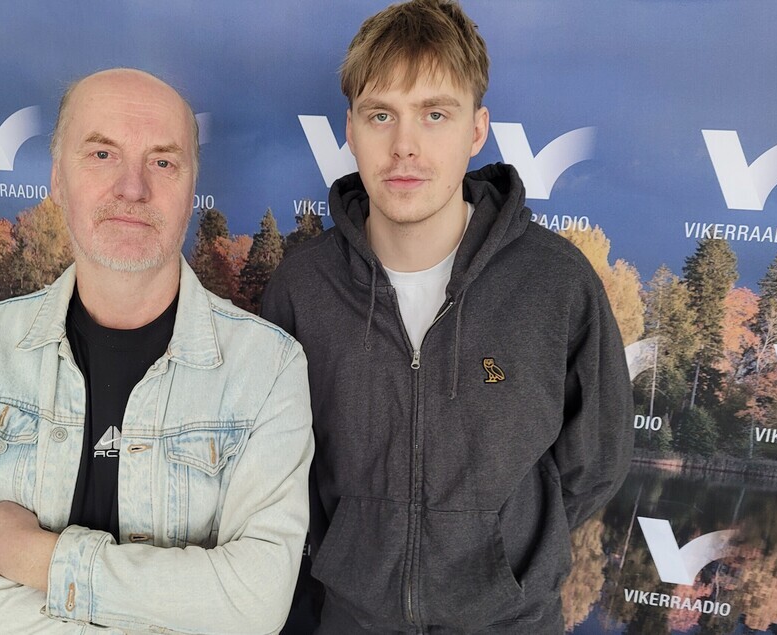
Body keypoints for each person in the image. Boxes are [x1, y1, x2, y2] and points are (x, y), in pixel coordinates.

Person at [0, 68, 314, 634]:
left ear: (191, 191)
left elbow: (253, 606)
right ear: (57, 180)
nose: (133, 188)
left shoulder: (268, 368)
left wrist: (39, 558)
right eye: (102, 154)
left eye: (163, 162)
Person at [261, 1, 633, 632]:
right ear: (350, 129)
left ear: (477, 129)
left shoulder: (556, 283)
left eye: (435, 114)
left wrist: (504, 558)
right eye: (381, 115)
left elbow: (594, 464)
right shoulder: (303, 288)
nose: (404, 146)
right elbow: (278, 470)